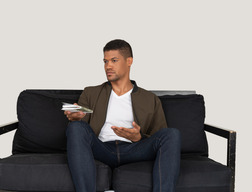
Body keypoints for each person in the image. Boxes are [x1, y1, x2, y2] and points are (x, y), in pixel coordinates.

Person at [64, 39, 181, 192]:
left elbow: (158, 136)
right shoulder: (90, 93)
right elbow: (80, 133)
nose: (108, 66)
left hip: (134, 149)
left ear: (129, 61)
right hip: (102, 148)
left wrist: (139, 138)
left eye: (114, 60)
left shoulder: (150, 98)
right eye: (105, 61)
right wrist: (75, 119)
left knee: (172, 134)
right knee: (76, 128)